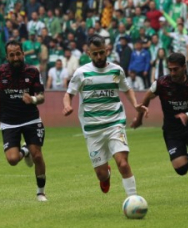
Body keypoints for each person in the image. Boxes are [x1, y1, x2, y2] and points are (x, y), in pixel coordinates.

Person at [63, 35, 147, 197]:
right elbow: (69, 94)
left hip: (115, 123)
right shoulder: (81, 73)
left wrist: (135, 104)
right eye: (95, 54)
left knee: (123, 164)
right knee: (101, 174)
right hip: (92, 129)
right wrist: (67, 105)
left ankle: (133, 200)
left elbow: (127, 89)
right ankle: (106, 174)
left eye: (101, 52)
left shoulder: (117, 70)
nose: (99, 57)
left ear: (107, 50)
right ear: (89, 53)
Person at [131, 52, 188, 204]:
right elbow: (146, 97)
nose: (173, 73)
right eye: (170, 69)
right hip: (172, 131)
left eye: (176, 69)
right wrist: (139, 119)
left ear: (184, 67)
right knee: (181, 169)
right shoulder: (161, 83)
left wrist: (187, 115)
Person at [0, 41, 49, 202]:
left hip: (31, 119)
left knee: (37, 156)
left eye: (18, 54)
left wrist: (33, 99)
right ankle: (25, 150)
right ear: (7, 57)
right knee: (12, 160)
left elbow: (42, 97)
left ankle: (41, 192)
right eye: (12, 55)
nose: (15, 58)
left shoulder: (32, 71)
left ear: (23, 54)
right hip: (9, 121)